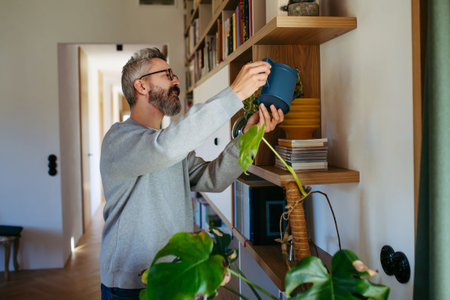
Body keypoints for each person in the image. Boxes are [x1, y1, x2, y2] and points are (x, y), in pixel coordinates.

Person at [99, 47, 284, 299]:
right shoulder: (118, 139)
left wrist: (249, 137)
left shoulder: (169, 144)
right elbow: (164, 149)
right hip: (131, 284)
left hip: (177, 275)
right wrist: (235, 94)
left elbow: (214, 178)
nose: (176, 81)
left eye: (174, 74)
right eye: (167, 74)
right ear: (141, 86)